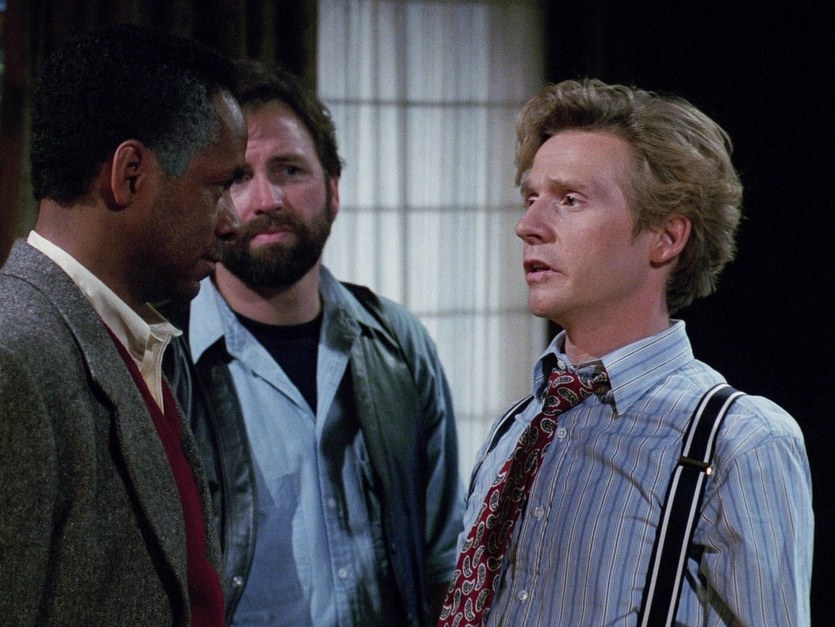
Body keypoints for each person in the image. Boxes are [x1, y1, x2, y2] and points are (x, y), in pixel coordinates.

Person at [438, 79, 813, 626]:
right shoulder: (516, 428)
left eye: (570, 200)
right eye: (531, 198)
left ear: (666, 237)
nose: (528, 226)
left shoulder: (738, 442)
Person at [162, 60, 464, 627]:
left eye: (289, 169)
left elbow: (444, 558)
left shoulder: (397, 343)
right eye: (237, 177)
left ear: (333, 189)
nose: (266, 198)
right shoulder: (165, 360)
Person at [0, 24, 246, 626]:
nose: (233, 221)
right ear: (129, 173)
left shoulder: (129, 339)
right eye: (218, 187)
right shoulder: (15, 358)